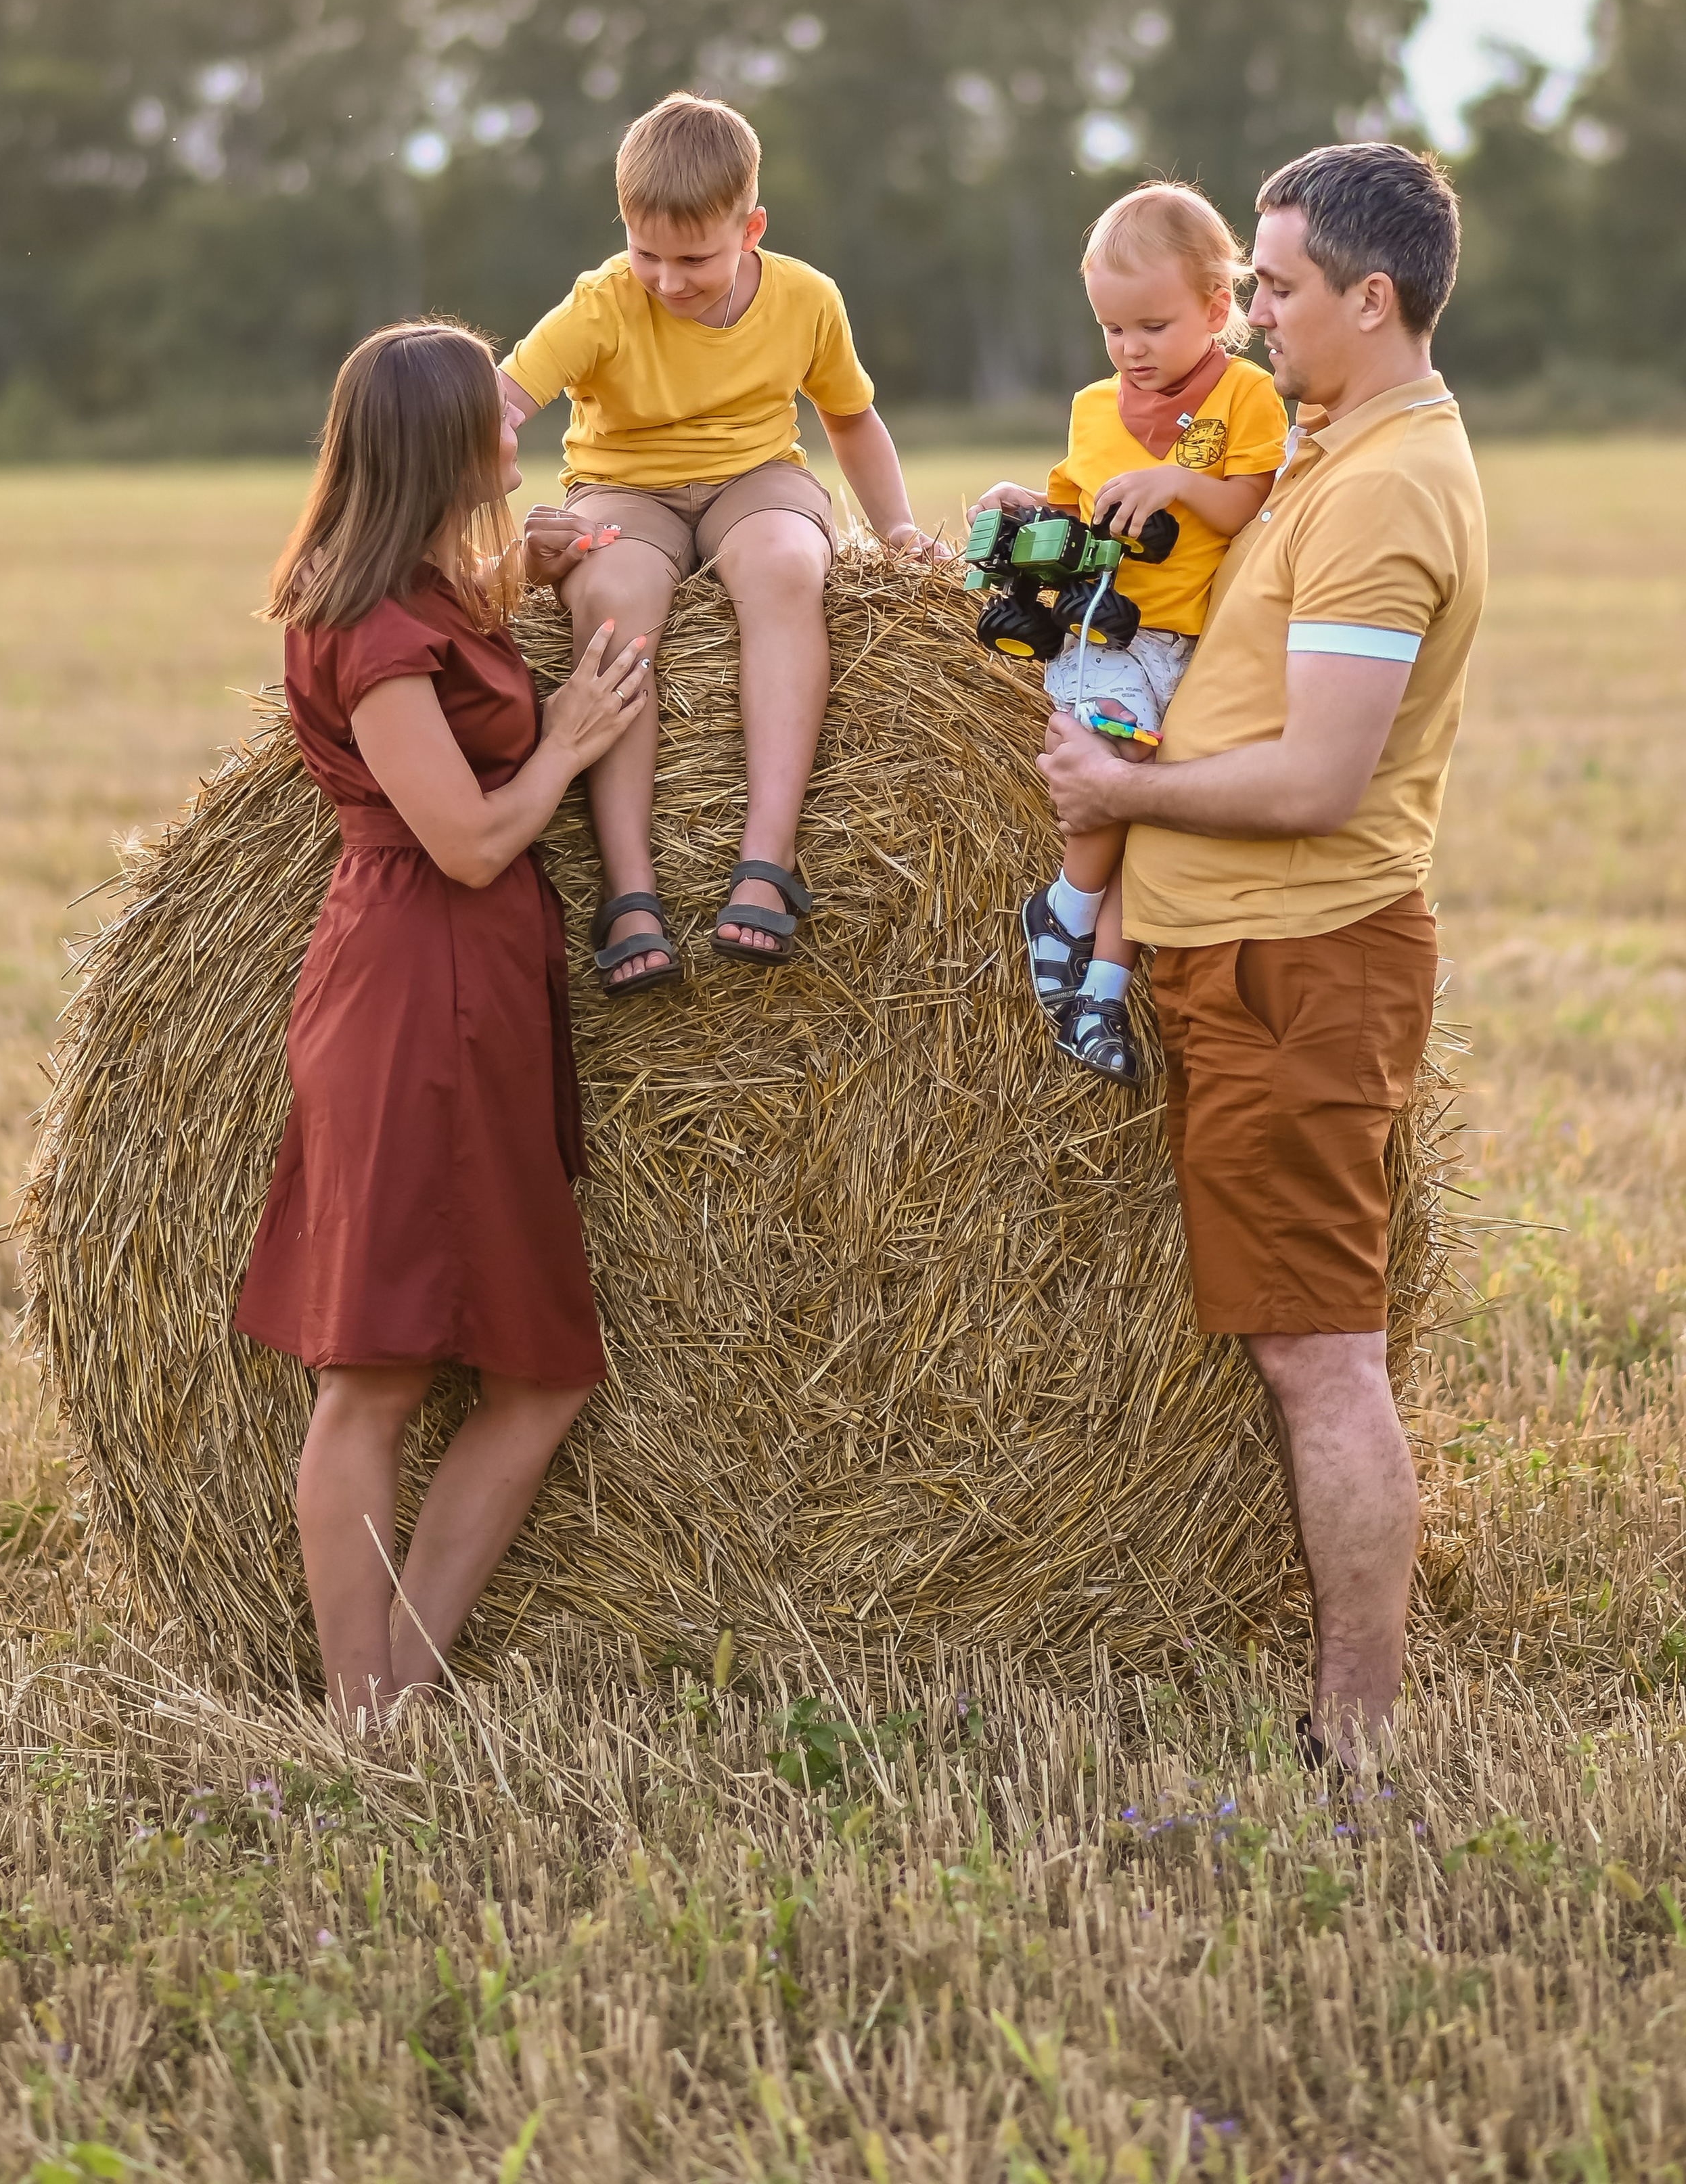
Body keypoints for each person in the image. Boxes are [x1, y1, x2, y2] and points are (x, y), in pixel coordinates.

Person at [1036, 143, 1485, 1767]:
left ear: (1371, 298)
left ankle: (1352, 1741)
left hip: (1297, 967)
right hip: (1244, 958)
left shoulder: (1377, 492)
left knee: (1320, 1355)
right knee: (1301, 1342)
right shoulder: (1327, 447)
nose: (1254, 315)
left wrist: (1122, 793)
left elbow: (1316, 779)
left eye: (1278, 288)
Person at [234, 321, 650, 1731]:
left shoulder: (413, 594)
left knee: (539, 1373)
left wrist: (514, 575)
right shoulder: (371, 634)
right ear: (438, 446)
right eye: (497, 416)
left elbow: (448, 639)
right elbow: (466, 842)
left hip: (470, 999)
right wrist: (570, 741)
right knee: (373, 1378)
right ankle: (365, 1716)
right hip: (415, 999)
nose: (517, 428)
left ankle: (397, 1697)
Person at [499, 92, 940, 993]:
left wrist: (895, 525)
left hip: (755, 477)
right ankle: (628, 889)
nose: (667, 280)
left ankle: (766, 862)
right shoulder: (599, 305)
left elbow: (851, 418)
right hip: (622, 488)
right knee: (616, 595)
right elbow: (499, 404)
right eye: (645, 253)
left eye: (694, 258)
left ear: (751, 229)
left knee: (785, 565)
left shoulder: (806, 299)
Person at [968, 184, 1286, 1083]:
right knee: (1126, 765)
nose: (1129, 349)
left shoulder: (1248, 397)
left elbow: (1253, 502)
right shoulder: (1091, 408)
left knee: (1156, 818)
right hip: (1105, 639)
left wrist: (1177, 483)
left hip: (1195, 649)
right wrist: (1020, 503)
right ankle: (1066, 912)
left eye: (1152, 326)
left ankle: (1103, 991)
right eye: (1112, 329)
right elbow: (1071, 513)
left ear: (1216, 310)